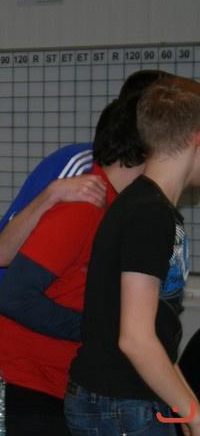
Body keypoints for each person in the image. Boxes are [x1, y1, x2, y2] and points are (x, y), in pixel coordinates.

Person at [0, 69, 171, 429]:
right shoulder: (84, 169)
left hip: (24, 339)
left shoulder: (119, 189)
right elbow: (3, 254)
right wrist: (52, 193)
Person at [0, 90, 150, 435]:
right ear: (144, 148)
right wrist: (98, 329)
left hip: (59, 383)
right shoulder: (86, 206)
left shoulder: (115, 205)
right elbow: (12, 297)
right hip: (29, 386)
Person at [65, 76, 200, 435]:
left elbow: (158, 332)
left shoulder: (149, 207)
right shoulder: (148, 214)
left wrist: (187, 402)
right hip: (120, 405)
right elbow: (135, 339)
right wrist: (193, 413)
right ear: (197, 140)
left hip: (126, 401)